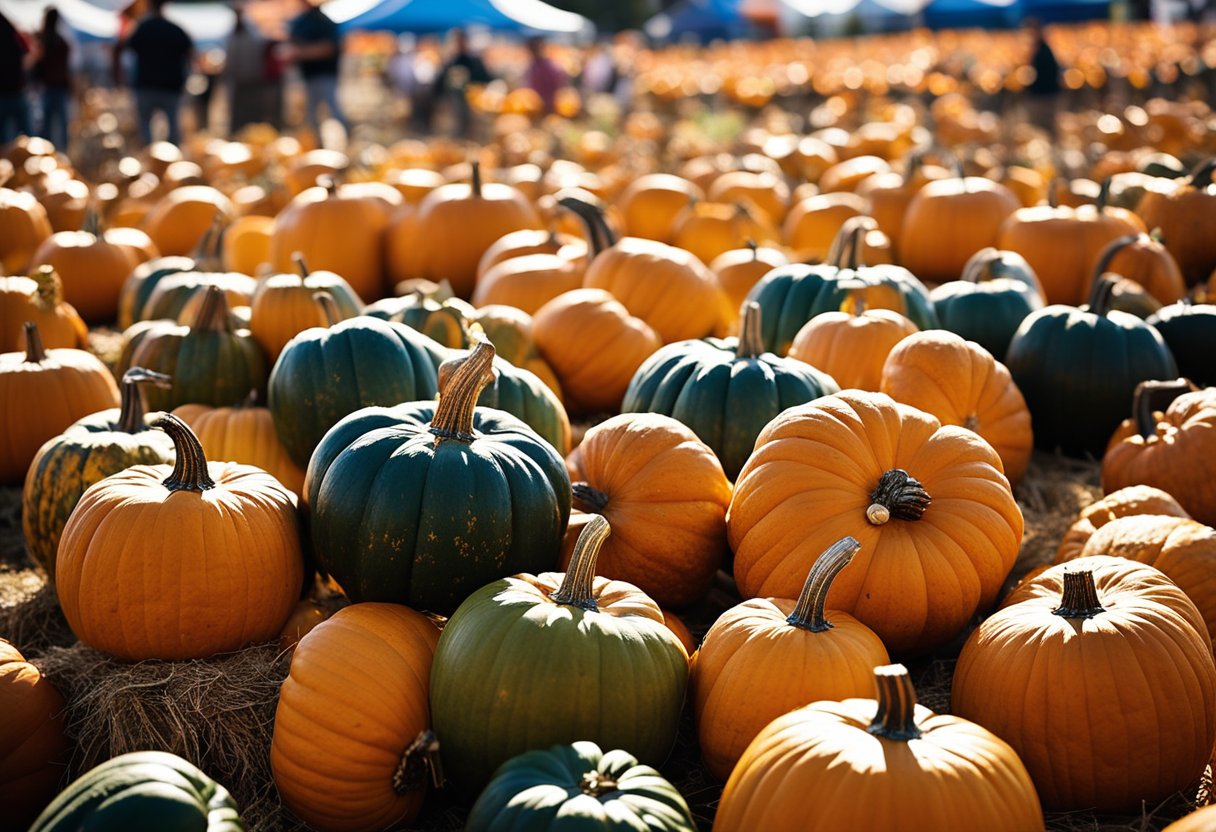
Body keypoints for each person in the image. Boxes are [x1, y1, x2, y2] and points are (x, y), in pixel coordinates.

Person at [117, 0, 194, 146]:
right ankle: (172, 159)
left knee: (146, 129)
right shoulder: (175, 29)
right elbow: (190, 56)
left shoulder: (142, 28)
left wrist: (121, 78)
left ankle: (151, 159)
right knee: (173, 128)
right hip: (170, 86)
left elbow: (123, 49)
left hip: (146, 85)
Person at [284, 0, 348, 145]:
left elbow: (327, 48)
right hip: (309, 75)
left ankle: (346, 143)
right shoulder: (301, 22)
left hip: (324, 74)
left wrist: (300, 53)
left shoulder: (323, 22)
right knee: (311, 115)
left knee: (332, 110)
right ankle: (317, 146)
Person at [433, 28, 491, 139]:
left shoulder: (474, 60)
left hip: (473, 101)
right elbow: (442, 81)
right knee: (458, 125)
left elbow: (484, 78)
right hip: (455, 100)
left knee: (472, 127)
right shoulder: (452, 60)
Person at [33, 8, 72, 151]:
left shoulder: (44, 41)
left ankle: (46, 151)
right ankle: (59, 151)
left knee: (47, 125)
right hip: (58, 87)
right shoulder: (61, 41)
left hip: (48, 87)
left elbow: (36, 64)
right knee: (59, 124)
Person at [223, 7, 265, 134]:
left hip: (252, 80)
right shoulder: (232, 33)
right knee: (237, 113)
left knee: (252, 112)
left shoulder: (252, 33)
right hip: (237, 81)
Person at [1024, 19, 1060, 137]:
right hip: (1044, 92)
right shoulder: (1041, 49)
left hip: (1044, 94)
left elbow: (1044, 72)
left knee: (1044, 123)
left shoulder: (1043, 50)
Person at [0, 11, 33, 143]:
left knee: (4, 135)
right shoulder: (16, 36)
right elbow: (29, 56)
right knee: (25, 134)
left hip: (5, 93)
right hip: (17, 91)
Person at [522, 35, 567, 116]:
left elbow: (560, 85)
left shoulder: (551, 66)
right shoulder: (534, 65)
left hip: (550, 106)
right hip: (535, 106)